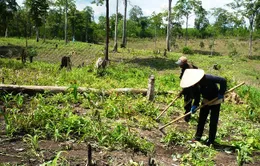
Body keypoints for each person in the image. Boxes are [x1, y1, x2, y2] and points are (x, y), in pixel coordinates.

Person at [180, 69, 227, 146]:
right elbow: (197, 95)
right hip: (205, 101)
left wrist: (221, 92)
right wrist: (195, 105)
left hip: (216, 100)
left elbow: (223, 80)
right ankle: (197, 137)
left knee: (213, 121)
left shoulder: (208, 78)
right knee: (201, 119)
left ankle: (211, 140)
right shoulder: (194, 85)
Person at [175, 56, 198, 122]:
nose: (179, 65)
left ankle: (187, 116)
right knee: (187, 101)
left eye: (180, 64)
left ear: (184, 63)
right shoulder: (184, 67)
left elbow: (188, 83)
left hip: (192, 87)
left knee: (188, 101)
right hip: (188, 86)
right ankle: (187, 114)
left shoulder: (188, 70)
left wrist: (181, 92)